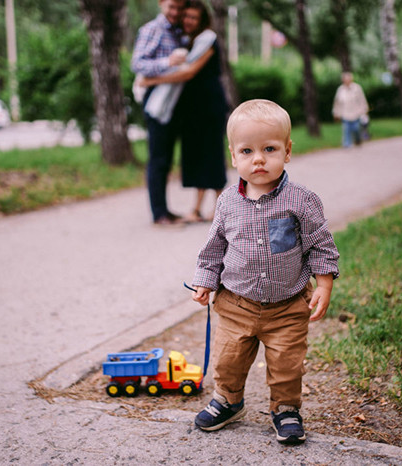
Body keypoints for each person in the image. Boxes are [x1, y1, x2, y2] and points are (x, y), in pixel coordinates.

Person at [189, 99, 340, 445]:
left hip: (287, 306)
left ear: (287, 152)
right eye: (247, 151)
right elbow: (214, 247)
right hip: (236, 304)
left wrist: (325, 284)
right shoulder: (227, 202)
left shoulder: (301, 201)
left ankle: (285, 408)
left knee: (287, 365)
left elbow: (320, 244)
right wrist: (204, 281)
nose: (258, 159)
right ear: (233, 156)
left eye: (269, 149)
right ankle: (228, 400)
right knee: (228, 359)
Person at [138, 0, 228, 223]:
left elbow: (188, 73)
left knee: (211, 156)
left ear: (202, 20)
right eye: (184, 15)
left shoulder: (207, 39)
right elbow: (139, 63)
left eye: (192, 17)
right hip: (190, 108)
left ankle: (220, 210)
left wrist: (151, 80)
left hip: (208, 106)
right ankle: (193, 209)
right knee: (196, 157)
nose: (185, 19)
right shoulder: (184, 37)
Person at [131, 0, 187, 226]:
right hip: (155, 96)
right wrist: (168, 62)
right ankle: (159, 214)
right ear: (161, 3)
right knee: (158, 157)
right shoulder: (151, 30)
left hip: (172, 99)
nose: (175, 12)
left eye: (179, 8)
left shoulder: (179, 31)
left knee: (167, 158)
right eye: (171, 7)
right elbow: (137, 64)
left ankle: (165, 210)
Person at [332, 72, 369, 148]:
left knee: (356, 128)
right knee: (346, 129)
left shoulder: (357, 88)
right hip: (345, 113)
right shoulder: (340, 89)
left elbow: (362, 99)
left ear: (351, 79)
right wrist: (335, 113)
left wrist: (365, 109)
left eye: (348, 79)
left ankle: (357, 140)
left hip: (356, 113)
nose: (347, 81)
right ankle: (347, 144)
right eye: (345, 79)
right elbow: (337, 102)